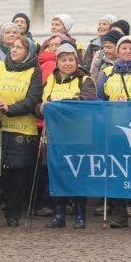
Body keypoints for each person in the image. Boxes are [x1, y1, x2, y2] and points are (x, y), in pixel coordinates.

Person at [0, 36, 42, 227]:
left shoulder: (34, 71)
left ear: (28, 52)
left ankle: (13, 214)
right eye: (12, 47)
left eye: (19, 48)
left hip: (21, 132)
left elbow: (33, 98)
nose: (13, 50)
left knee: (17, 175)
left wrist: (10, 109)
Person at [38, 43, 96, 228]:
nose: (67, 63)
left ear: (76, 61)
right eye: (63, 59)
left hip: (78, 136)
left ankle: (80, 215)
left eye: (71, 59)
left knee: (77, 174)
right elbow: (40, 104)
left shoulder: (85, 80)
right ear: (57, 62)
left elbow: (86, 101)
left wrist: (58, 105)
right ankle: (59, 214)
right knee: (56, 174)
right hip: (54, 138)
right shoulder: (50, 80)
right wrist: (41, 108)